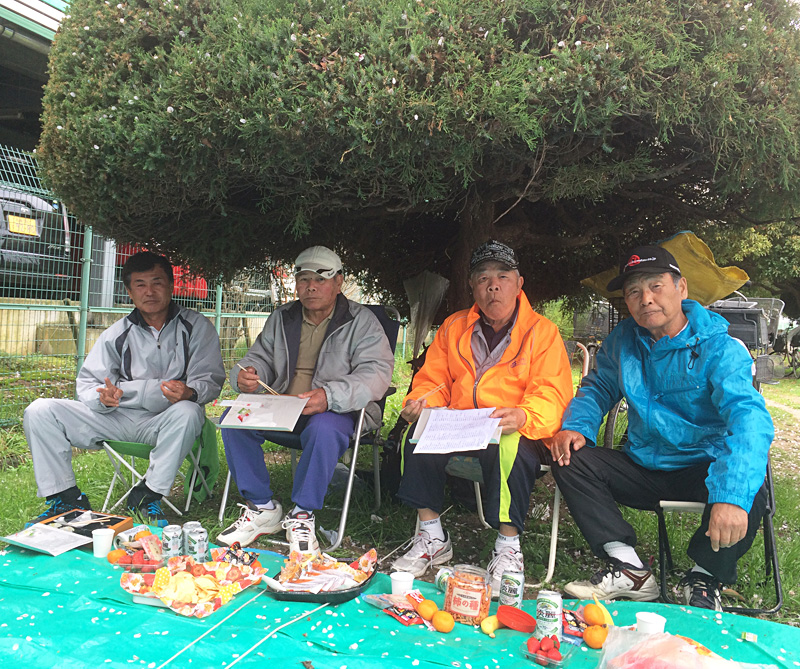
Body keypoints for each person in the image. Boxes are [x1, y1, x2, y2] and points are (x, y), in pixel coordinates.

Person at [551, 245, 774, 611]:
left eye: (656, 286)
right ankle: (629, 567)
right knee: (568, 456)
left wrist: (731, 495)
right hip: (644, 464)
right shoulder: (624, 339)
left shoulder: (720, 347)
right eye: (634, 291)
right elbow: (599, 386)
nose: (646, 299)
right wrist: (577, 425)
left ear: (681, 288)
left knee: (749, 488)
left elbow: (749, 419)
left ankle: (704, 577)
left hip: (701, 467)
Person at [392, 240, 574, 593]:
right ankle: (431, 536)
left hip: (516, 427)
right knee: (416, 434)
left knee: (510, 447)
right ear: (472, 287)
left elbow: (553, 391)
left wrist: (524, 415)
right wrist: (422, 402)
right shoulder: (453, 326)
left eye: (503, 276)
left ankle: (508, 547)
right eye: (483, 278)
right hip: (462, 424)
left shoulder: (542, 332)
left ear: (519, 284)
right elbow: (434, 380)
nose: (493, 286)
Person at [24, 252, 226, 527]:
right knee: (40, 410)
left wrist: (190, 392)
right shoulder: (117, 333)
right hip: (117, 418)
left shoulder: (196, 326)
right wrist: (103, 398)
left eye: (157, 282)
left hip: (165, 420)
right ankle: (66, 499)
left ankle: (147, 495)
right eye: (140, 284)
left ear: (171, 285)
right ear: (130, 292)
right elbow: (89, 384)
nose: (149, 292)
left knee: (189, 411)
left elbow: (210, 379)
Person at [217, 246, 394, 555]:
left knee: (323, 428)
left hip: (337, 409)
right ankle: (262, 508)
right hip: (283, 404)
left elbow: (376, 373)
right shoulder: (283, 317)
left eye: (320, 280)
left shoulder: (361, 321)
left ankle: (302, 514)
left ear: (338, 282)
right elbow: (259, 358)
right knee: (234, 420)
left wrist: (330, 396)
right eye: (304, 279)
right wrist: (246, 374)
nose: (311, 287)